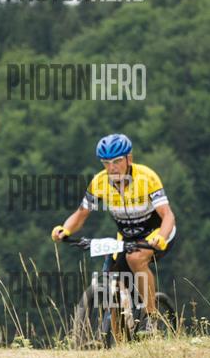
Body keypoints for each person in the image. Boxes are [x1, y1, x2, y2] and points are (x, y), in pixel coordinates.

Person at [51, 134, 176, 334]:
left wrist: (160, 236)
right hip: (126, 238)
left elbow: (167, 215)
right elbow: (81, 214)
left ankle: (151, 317)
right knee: (113, 281)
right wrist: (65, 229)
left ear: (129, 159)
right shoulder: (99, 182)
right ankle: (119, 337)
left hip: (157, 233)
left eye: (117, 161)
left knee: (135, 259)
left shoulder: (146, 177)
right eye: (106, 163)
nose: (112, 168)